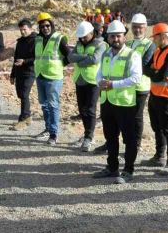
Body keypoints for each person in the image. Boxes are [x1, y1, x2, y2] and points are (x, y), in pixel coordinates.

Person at [93, 20, 142, 184]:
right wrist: (99, 82)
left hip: (124, 103)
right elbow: (99, 73)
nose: (115, 39)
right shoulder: (106, 54)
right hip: (107, 101)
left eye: (118, 36)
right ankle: (112, 167)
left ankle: (128, 170)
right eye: (112, 36)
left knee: (129, 139)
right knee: (110, 137)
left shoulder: (132, 55)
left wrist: (113, 85)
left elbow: (136, 78)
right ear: (108, 37)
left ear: (124, 37)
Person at [142, 23, 168, 170]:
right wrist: (155, 72)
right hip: (155, 95)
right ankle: (159, 156)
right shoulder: (157, 51)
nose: (153, 40)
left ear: (163, 37)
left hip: (167, 98)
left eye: (155, 37)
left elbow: (162, 75)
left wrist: (154, 72)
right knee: (157, 127)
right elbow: (145, 69)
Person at [68, 21, 106, 152]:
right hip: (79, 80)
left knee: (90, 109)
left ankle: (89, 137)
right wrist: (85, 57)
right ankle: (87, 134)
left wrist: (80, 61)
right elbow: (70, 57)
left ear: (91, 33)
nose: (82, 39)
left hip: (93, 81)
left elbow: (95, 59)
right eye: (80, 37)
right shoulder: (79, 43)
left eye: (84, 37)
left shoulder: (101, 44)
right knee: (82, 109)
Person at [33, 12, 70, 145]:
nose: (45, 28)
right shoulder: (38, 39)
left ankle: (53, 134)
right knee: (44, 104)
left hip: (53, 77)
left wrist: (60, 64)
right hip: (40, 75)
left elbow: (69, 55)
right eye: (42, 26)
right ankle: (48, 129)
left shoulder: (59, 38)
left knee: (53, 105)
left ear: (52, 25)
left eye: (47, 25)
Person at [128, 14, 154, 142]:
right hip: (126, 85)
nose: (137, 30)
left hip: (140, 86)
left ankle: (136, 144)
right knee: (125, 115)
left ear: (145, 27)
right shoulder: (128, 43)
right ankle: (128, 142)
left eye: (140, 27)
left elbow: (144, 64)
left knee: (137, 116)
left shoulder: (149, 45)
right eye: (135, 27)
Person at [9, 18, 36, 130]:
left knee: (24, 94)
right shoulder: (20, 41)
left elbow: (37, 58)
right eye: (21, 30)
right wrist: (12, 74)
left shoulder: (36, 40)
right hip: (19, 71)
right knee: (21, 95)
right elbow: (16, 58)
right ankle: (27, 117)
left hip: (30, 71)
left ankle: (23, 119)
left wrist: (25, 61)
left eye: (24, 29)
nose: (23, 32)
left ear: (30, 28)